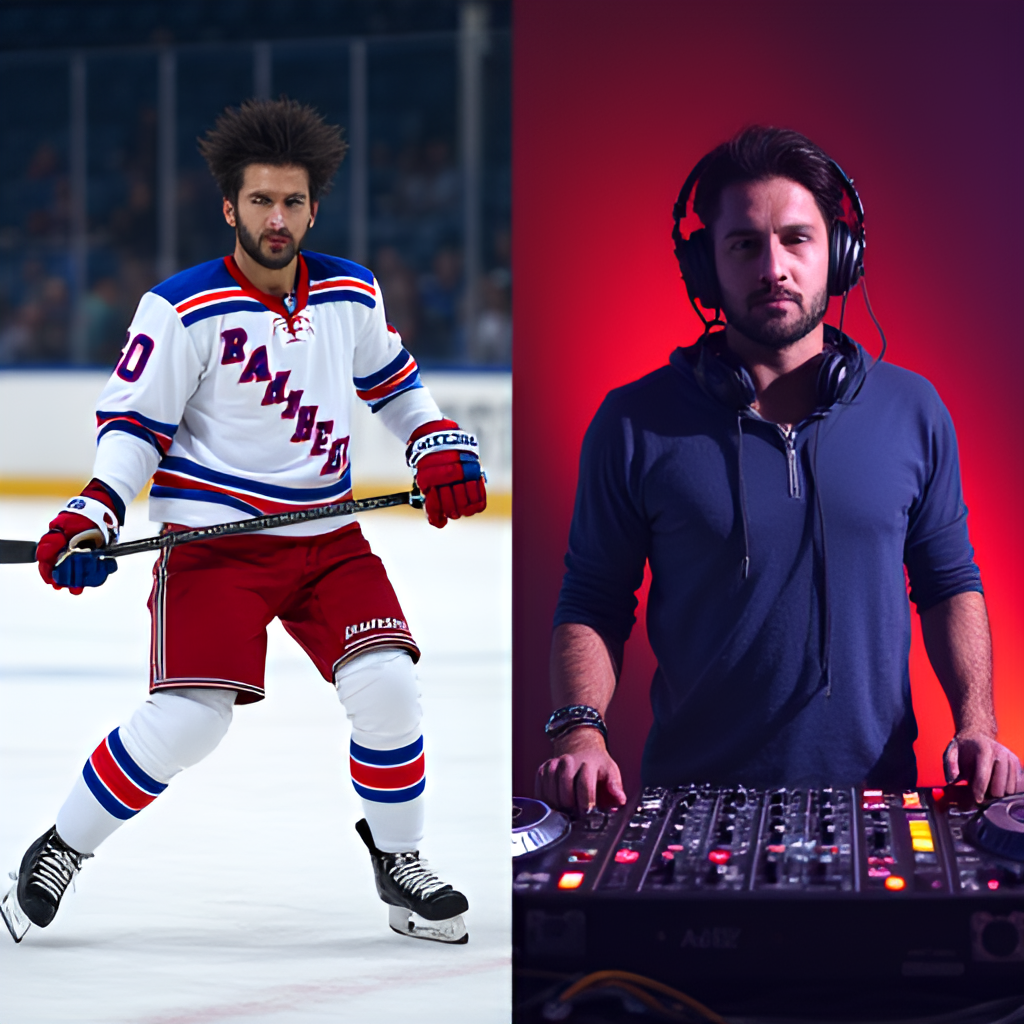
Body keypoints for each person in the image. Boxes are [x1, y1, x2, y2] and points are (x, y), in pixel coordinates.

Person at [2, 98, 486, 946]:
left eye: (292, 203)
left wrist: (437, 443)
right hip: (214, 549)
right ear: (229, 207)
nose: (277, 218)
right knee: (190, 718)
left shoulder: (352, 290)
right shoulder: (179, 309)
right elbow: (134, 429)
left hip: (329, 542)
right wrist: (94, 508)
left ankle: (399, 862)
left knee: (390, 688)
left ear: (312, 208)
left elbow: (397, 385)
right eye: (260, 201)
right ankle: (59, 848)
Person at [536, 126, 1021, 816]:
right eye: (745, 245)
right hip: (690, 807)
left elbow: (950, 583)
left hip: (878, 801)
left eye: (797, 239)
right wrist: (580, 733)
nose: (774, 268)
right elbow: (592, 600)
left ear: (841, 254)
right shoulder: (633, 422)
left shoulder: (914, 410)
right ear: (705, 266)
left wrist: (979, 724)